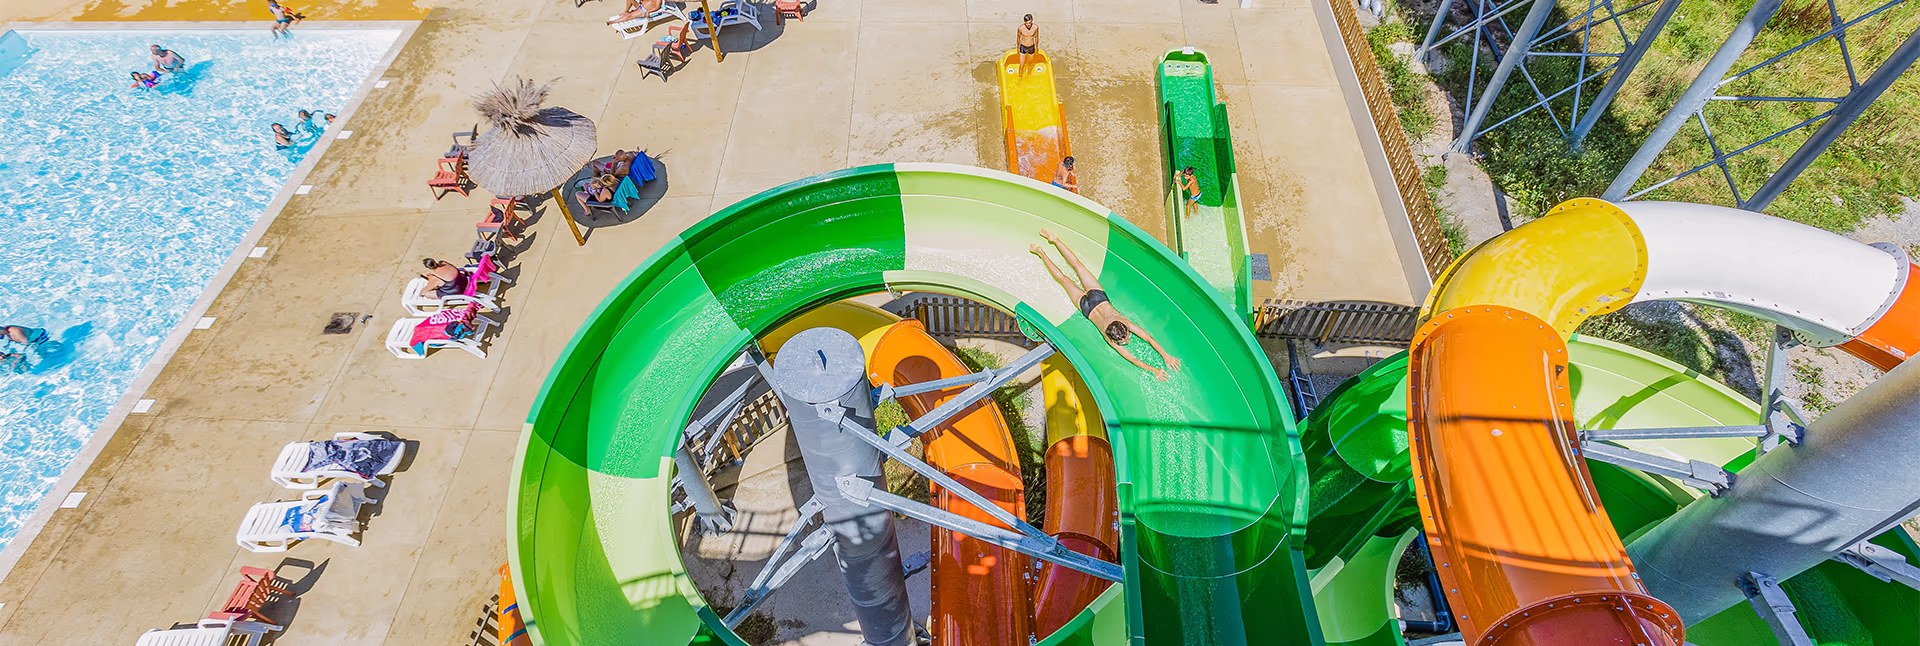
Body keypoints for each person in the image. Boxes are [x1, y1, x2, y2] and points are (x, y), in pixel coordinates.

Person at [1030, 229, 1180, 380]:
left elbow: (1147, 340)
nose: (1127, 341)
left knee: (1076, 268)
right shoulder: (1112, 339)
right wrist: (1158, 365)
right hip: (1087, 308)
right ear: (1124, 330)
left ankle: (1052, 241)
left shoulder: (1125, 324)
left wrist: (1165, 358)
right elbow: (1137, 353)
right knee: (1067, 276)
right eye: (1127, 339)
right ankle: (1041, 251)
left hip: (1098, 300)